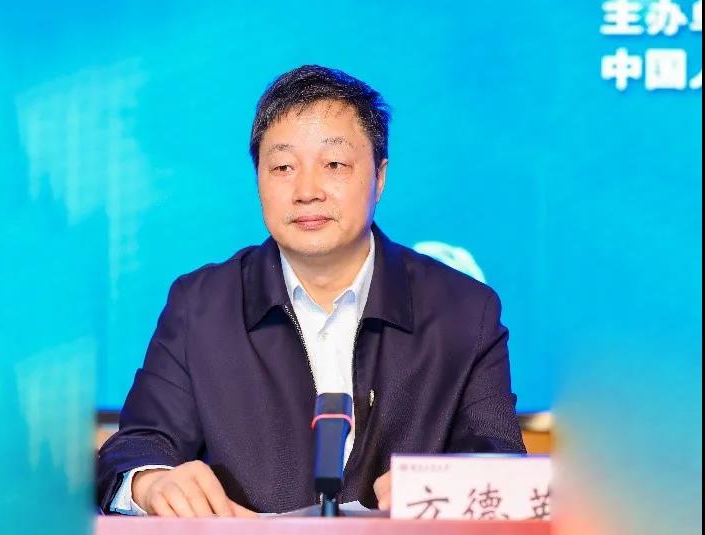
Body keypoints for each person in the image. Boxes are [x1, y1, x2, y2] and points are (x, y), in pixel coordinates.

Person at [96, 64, 525, 517]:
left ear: (379, 177)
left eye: (334, 164)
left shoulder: (465, 311)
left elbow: (500, 465)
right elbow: (136, 447)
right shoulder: (200, 305)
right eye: (283, 167)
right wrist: (150, 482)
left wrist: (444, 488)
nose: (306, 191)